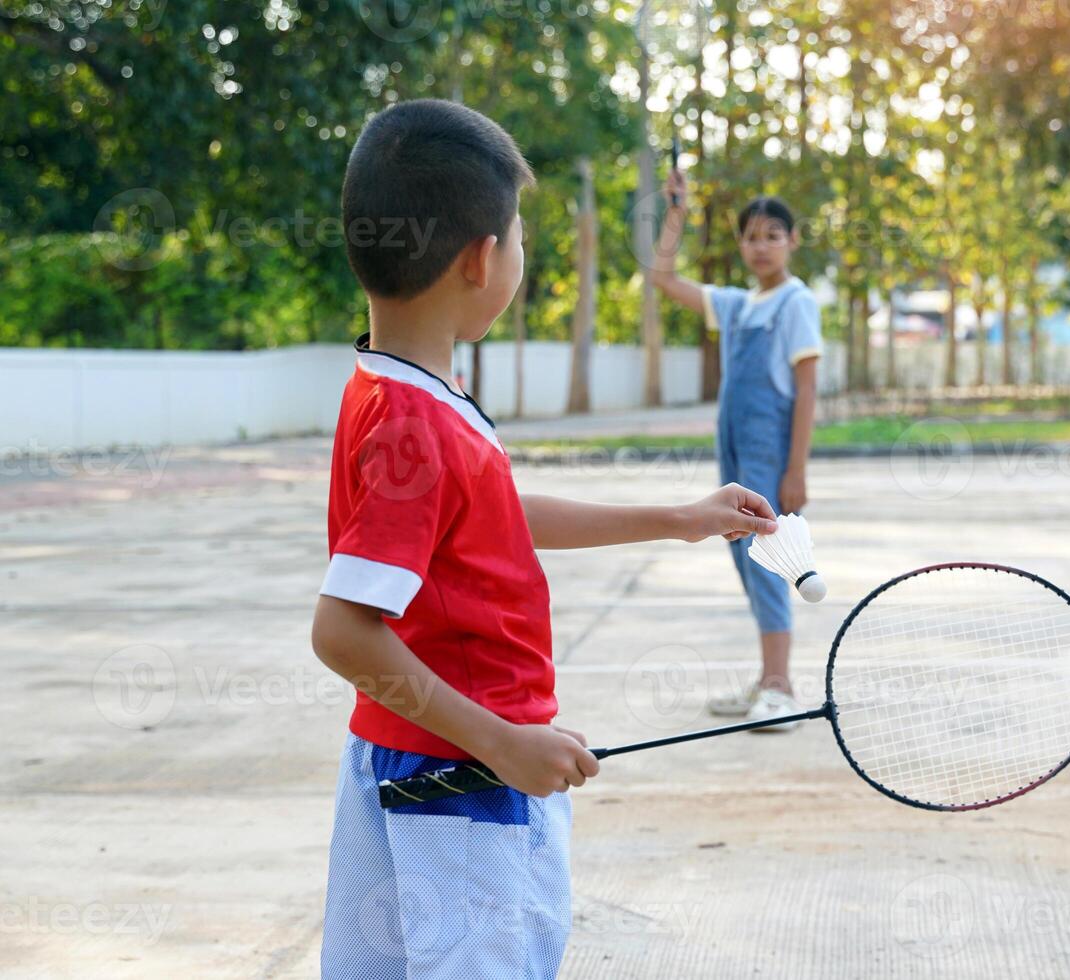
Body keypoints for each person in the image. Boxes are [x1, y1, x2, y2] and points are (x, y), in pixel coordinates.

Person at [312, 98, 778, 979]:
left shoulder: (392, 389)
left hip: (401, 755)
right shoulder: (417, 423)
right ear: (483, 259)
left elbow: (487, 519)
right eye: (521, 236)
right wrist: (499, 742)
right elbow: (341, 631)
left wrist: (680, 518)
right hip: (459, 788)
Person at [649, 167, 823, 731]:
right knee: (746, 558)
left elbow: (806, 390)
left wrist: (796, 468)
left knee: (770, 558)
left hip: (769, 447)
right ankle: (767, 681)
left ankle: (781, 688)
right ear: (740, 243)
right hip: (734, 447)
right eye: (751, 235)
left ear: (792, 242)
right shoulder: (737, 304)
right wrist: (676, 212)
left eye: (774, 234)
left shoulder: (796, 302)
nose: (762, 245)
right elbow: (662, 275)